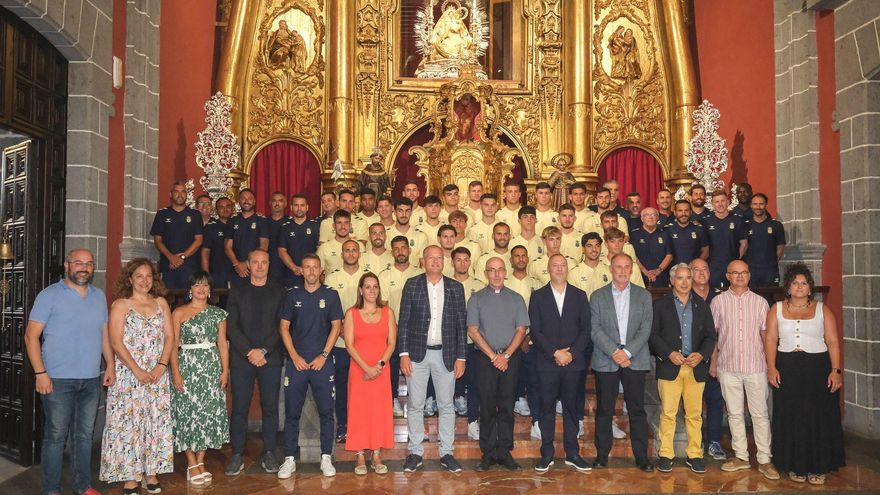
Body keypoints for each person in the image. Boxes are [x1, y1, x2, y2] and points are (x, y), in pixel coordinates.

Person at [25, 249, 114, 495]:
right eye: (78, 263)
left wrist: (111, 365)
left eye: (89, 263)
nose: (83, 267)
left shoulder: (99, 297)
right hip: (57, 380)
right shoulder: (49, 295)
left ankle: (83, 486)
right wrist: (40, 373)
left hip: (91, 379)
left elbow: (104, 335)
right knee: (55, 437)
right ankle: (51, 489)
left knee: (84, 437)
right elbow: (31, 336)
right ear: (67, 265)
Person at [764, 263, 844, 485]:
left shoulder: (822, 309)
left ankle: (818, 466)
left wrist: (835, 370)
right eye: (795, 283)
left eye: (804, 283)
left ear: (810, 287)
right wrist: (771, 366)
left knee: (816, 417)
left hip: (817, 369)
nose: (799, 287)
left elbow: (833, 342)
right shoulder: (776, 309)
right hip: (787, 368)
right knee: (791, 416)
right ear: (788, 287)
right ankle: (795, 465)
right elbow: (770, 339)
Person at [100, 259, 174, 494]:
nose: (144, 280)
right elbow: (115, 342)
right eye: (139, 276)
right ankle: (130, 477)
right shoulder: (121, 305)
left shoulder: (161, 303)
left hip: (157, 374)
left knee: (154, 421)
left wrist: (162, 366)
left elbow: (170, 337)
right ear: (130, 279)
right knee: (128, 425)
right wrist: (137, 370)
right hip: (129, 375)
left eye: (149, 276)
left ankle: (150, 472)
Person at [398, 246, 468, 473]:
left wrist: (461, 357)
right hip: (417, 355)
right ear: (423, 260)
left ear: (444, 261)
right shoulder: (412, 284)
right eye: (432, 258)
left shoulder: (456, 288)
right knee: (416, 405)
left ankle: (447, 452)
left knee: (447, 406)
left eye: (440, 258)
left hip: (446, 355)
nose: (436, 261)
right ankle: (415, 452)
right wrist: (403, 354)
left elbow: (461, 325)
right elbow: (404, 321)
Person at [710, 260, 779, 479]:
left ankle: (765, 459)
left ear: (749, 276)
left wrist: (771, 366)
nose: (739, 276)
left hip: (755, 366)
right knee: (734, 413)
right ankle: (741, 456)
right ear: (727, 276)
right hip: (728, 366)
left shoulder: (760, 303)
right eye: (735, 273)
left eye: (743, 273)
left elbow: (766, 336)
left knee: (760, 414)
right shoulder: (718, 302)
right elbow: (714, 336)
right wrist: (713, 362)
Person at [277, 254, 343, 478]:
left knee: (326, 412)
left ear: (320, 270)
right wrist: (294, 356)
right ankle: (288, 459)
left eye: (315, 267)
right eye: (308, 267)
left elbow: (336, 326)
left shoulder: (331, 295)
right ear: (302, 271)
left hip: (322, 364)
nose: (312, 271)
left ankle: (326, 457)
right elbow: (284, 327)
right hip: (297, 363)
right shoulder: (292, 296)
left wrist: (324, 354)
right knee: (291, 413)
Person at [224, 249, 286, 476]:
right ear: (248, 264)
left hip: (270, 357)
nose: (260, 266)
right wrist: (250, 351)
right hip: (242, 358)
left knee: (270, 408)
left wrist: (263, 350)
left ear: (269, 264)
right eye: (255, 262)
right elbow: (231, 326)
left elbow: (283, 325)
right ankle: (237, 454)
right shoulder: (237, 291)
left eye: (264, 262)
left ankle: (269, 452)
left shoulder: (279, 291)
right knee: (239, 408)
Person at [649, 263, 716, 474]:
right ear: (672, 281)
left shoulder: (702, 305)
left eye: (688, 277)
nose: (685, 282)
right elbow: (653, 336)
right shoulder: (660, 305)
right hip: (670, 366)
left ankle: (694, 454)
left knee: (694, 415)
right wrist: (669, 353)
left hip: (695, 368)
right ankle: (666, 455)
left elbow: (710, 336)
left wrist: (702, 355)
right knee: (668, 414)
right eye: (680, 278)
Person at [590, 253, 653, 472]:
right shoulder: (598, 296)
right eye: (619, 267)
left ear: (632, 269)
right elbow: (595, 328)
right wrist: (615, 352)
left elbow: (646, 328)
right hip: (606, 359)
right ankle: (601, 455)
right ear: (611, 269)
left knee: (636, 410)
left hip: (634, 359)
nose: (623, 271)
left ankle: (642, 457)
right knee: (604, 410)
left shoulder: (644, 296)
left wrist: (626, 352)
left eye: (627, 267)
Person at [529, 254, 592, 473]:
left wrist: (571, 354)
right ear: (548, 269)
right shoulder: (537, 296)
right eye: (555, 265)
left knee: (572, 409)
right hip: (547, 363)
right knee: (546, 409)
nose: (559, 269)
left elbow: (586, 330)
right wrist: (555, 353)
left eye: (563, 265)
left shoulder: (580, 295)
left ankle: (572, 453)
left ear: (568, 269)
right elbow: (535, 332)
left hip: (573, 364)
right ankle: (547, 453)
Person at [467, 257, 529, 471]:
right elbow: (473, 330)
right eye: (491, 270)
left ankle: (504, 452)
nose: (496, 274)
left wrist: (506, 356)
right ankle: (487, 453)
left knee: (506, 406)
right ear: (486, 273)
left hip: (510, 359)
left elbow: (521, 329)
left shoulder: (517, 298)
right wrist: (494, 356)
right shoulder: (476, 299)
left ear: (506, 272)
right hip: (485, 359)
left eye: (500, 270)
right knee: (485, 406)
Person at [170, 271, 230, 485]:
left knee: (207, 413)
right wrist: (175, 372)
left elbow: (222, 344)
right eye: (197, 285)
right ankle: (190, 462)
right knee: (187, 413)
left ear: (210, 289)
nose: (201, 289)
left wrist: (225, 370)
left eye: (205, 285)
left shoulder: (218, 314)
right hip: (187, 367)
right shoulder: (178, 313)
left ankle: (200, 461)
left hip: (211, 368)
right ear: (190, 289)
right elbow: (173, 345)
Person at [342, 272, 396, 476]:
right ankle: (359, 454)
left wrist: (379, 365)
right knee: (359, 411)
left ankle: (376, 454)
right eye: (368, 286)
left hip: (381, 369)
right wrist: (367, 368)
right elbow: (349, 345)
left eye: (375, 287)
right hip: (359, 369)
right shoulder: (351, 313)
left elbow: (391, 343)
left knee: (378, 411)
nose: (372, 290)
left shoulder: (387, 312)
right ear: (361, 290)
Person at [324, 239, 369, 442]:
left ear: (359, 254)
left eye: (354, 250)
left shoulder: (367, 277)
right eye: (347, 251)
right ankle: (343, 425)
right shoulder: (332, 279)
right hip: (341, 343)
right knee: (341, 386)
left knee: (363, 386)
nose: (351, 254)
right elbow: (327, 310)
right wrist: (341, 328)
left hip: (364, 344)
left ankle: (363, 425)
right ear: (342, 255)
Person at [378, 236, 424, 416]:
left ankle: (418, 401)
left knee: (417, 366)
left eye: (403, 248)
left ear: (409, 250)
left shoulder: (419, 274)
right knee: (392, 363)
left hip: (417, 329)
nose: (400, 252)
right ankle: (392, 399)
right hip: (393, 328)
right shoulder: (385, 275)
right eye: (396, 249)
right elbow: (383, 305)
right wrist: (392, 327)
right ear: (392, 252)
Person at [690, 258, 727, 461]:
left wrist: (715, 358)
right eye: (696, 269)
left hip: (717, 358)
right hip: (693, 359)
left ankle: (714, 441)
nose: (701, 273)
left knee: (715, 400)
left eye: (705, 268)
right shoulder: (685, 297)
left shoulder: (720, 297)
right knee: (693, 404)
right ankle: (695, 444)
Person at [450, 246, 486, 433]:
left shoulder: (479, 285)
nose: (462, 263)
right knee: (448, 382)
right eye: (458, 259)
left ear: (470, 262)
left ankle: (473, 421)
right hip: (450, 342)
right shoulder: (445, 284)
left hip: (473, 342)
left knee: (474, 382)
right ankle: (447, 425)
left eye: (466, 259)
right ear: (452, 262)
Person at [150, 181, 204, 289]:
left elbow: (199, 240)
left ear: (187, 194)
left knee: (190, 301)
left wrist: (182, 257)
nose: (180, 195)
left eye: (183, 192)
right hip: (168, 266)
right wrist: (171, 258)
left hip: (190, 266)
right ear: (171, 194)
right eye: (176, 192)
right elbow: (157, 240)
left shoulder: (195, 214)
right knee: (167, 299)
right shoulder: (162, 214)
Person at [224, 188, 269, 286]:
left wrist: (246, 263)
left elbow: (264, 245)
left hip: (255, 269)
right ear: (239, 201)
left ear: (254, 201)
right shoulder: (232, 221)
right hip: (235, 269)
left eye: (249, 198)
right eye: (243, 198)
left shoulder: (262, 221)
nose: (246, 200)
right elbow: (227, 246)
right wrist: (237, 264)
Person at [703, 190, 747, 289]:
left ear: (727, 202)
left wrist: (736, 260)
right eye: (717, 202)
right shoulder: (706, 221)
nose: (720, 204)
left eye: (722, 201)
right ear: (712, 204)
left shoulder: (737, 220)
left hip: (733, 267)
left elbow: (744, 243)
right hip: (713, 267)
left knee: (734, 294)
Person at [277, 193, 320, 288]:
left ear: (307, 207)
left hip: (312, 276)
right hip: (291, 276)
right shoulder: (285, 228)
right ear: (291, 207)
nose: (299, 208)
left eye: (302, 205)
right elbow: (281, 251)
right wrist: (294, 268)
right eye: (296, 205)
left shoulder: (316, 226)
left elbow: (320, 249)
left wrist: (309, 268)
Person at [744, 193, 786, 287]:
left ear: (766, 205)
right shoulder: (745, 225)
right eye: (755, 204)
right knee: (751, 299)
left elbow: (780, 247)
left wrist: (771, 262)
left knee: (771, 299)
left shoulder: (776, 225)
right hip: (751, 271)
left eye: (761, 204)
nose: (758, 207)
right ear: (751, 205)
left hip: (770, 271)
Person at [630, 207, 672, 287]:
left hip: (661, 277)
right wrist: (645, 272)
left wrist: (657, 271)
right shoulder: (634, 235)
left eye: (653, 215)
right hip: (640, 277)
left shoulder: (665, 234)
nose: (650, 217)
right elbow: (633, 256)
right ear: (642, 219)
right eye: (647, 215)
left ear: (658, 218)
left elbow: (669, 255)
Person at [201, 197, 236, 290]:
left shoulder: (239, 225)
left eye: (228, 206)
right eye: (221, 207)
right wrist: (206, 275)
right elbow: (205, 252)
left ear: (233, 208)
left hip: (238, 273)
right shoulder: (210, 227)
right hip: (217, 274)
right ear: (216, 211)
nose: (225, 209)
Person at [386, 198, 429, 266]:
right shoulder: (386, 235)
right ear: (394, 212)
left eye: (407, 211)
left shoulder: (421, 236)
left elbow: (423, 264)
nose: (404, 215)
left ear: (411, 212)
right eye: (400, 211)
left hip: (415, 275)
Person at [668, 199, 709, 266]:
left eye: (686, 210)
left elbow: (705, 252)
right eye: (680, 211)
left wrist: (695, 265)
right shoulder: (668, 230)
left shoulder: (699, 229)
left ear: (691, 212)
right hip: (674, 271)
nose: (683, 214)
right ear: (675, 213)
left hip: (693, 271)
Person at [266, 191, 290, 283]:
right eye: (274, 201)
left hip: (287, 269)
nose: (277, 203)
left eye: (280, 201)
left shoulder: (291, 223)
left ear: (285, 204)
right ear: (270, 203)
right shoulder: (263, 223)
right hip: (268, 269)